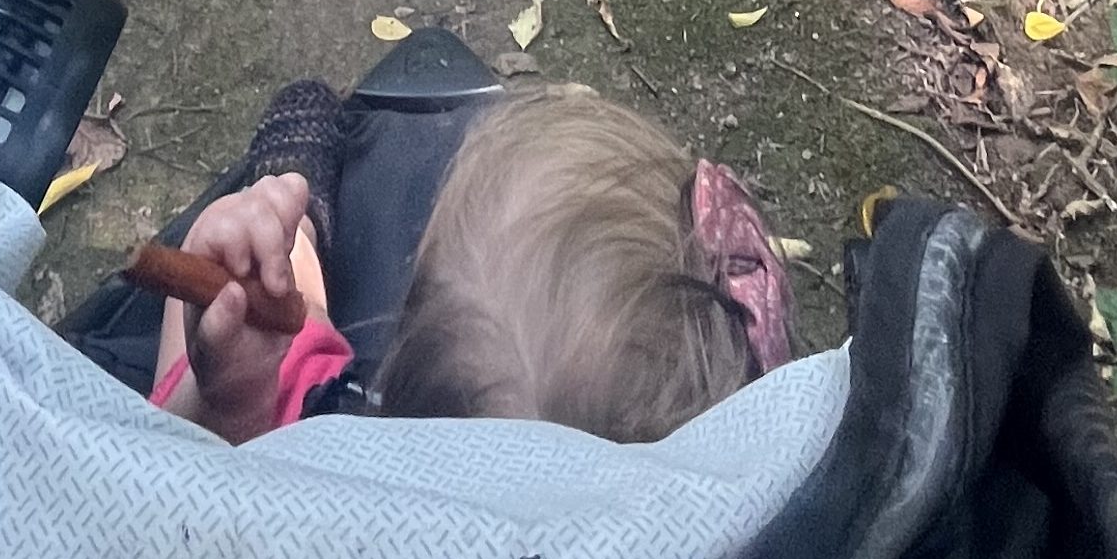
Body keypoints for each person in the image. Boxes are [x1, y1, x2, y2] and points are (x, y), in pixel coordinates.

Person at [151, 84, 791, 446]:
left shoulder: (320, 475)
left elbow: (183, 495)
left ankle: (292, 193)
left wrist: (225, 402)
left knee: (254, 300)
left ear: (396, 386)